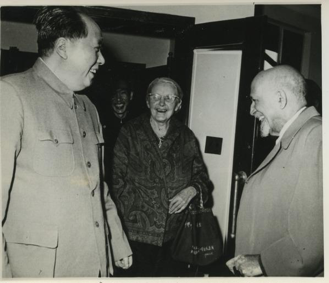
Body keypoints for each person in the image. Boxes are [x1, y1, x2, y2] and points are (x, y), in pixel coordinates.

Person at [1, 6, 132, 278]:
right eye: (96, 49)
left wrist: (117, 244)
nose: (103, 60)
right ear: (62, 47)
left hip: (94, 263)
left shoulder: (89, 108)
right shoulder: (11, 94)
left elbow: (98, 187)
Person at [226, 65, 323, 276]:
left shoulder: (316, 136)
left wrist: (263, 263)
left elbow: (316, 235)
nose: (251, 110)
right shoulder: (297, 137)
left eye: (255, 101)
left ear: (280, 99)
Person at [112, 77, 211, 277]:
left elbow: (202, 178)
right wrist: (118, 235)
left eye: (169, 98)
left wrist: (190, 191)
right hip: (135, 238)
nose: (162, 103)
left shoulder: (186, 136)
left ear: (179, 104)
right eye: (156, 97)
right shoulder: (129, 132)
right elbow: (115, 183)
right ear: (147, 102)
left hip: (176, 238)